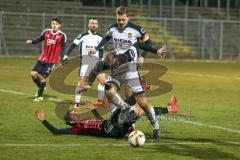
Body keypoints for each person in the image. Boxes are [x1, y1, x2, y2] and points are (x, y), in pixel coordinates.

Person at [88, 6, 166, 140]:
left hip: (131, 68)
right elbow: (106, 38)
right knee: (109, 91)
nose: (120, 22)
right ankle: (124, 108)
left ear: (128, 18)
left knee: (141, 102)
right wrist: (96, 48)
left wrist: (145, 55)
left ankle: (156, 126)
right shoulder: (113, 28)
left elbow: (146, 43)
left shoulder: (136, 29)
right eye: (118, 19)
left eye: (123, 20)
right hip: (116, 66)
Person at [35, 96, 178, 137]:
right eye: (74, 114)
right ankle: (140, 93)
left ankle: (170, 108)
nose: (78, 114)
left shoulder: (85, 122)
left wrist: (95, 109)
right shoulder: (76, 129)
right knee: (137, 107)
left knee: (140, 109)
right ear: (71, 121)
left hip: (113, 124)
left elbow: (98, 121)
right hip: (113, 129)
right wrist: (43, 120)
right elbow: (56, 132)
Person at [62, 18, 106, 109]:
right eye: (92, 23)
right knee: (81, 82)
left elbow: (101, 50)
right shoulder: (83, 35)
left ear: (98, 25)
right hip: (85, 61)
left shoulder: (101, 37)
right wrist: (66, 55)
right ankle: (77, 103)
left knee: (103, 80)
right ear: (88, 25)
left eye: (95, 23)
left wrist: (101, 60)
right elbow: (73, 45)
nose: (94, 25)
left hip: (97, 62)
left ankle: (99, 101)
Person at [26, 17, 67, 101]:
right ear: (51, 24)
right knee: (33, 74)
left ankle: (40, 97)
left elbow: (63, 49)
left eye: (56, 24)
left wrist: (62, 60)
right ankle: (42, 86)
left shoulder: (62, 36)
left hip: (52, 61)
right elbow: (40, 39)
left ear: (59, 25)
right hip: (42, 58)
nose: (54, 25)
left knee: (42, 77)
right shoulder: (46, 32)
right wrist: (32, 41)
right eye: (53, 23)